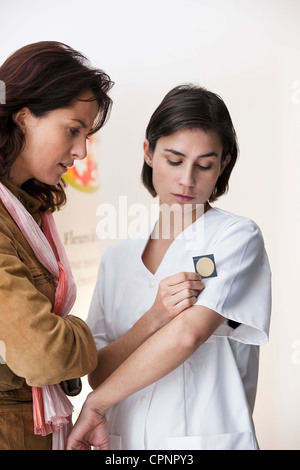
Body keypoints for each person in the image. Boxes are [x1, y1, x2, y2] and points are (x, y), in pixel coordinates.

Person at [67, 84, 271, 451]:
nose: (187, 180)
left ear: (223, 164)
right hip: (124, 444)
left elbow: (187, 336)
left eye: (204, 165)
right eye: (174, 160)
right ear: (148, 152)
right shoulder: (117, 259)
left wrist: (95, 406)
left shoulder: (236, 238)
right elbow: (98, 372)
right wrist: (154, 317)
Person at [0, 41, 113, 450]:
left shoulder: (28, 211)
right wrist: (81, 334)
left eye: (87, 135)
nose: (82, 151)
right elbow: (43, 355)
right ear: (24, 115)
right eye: (73, 130)